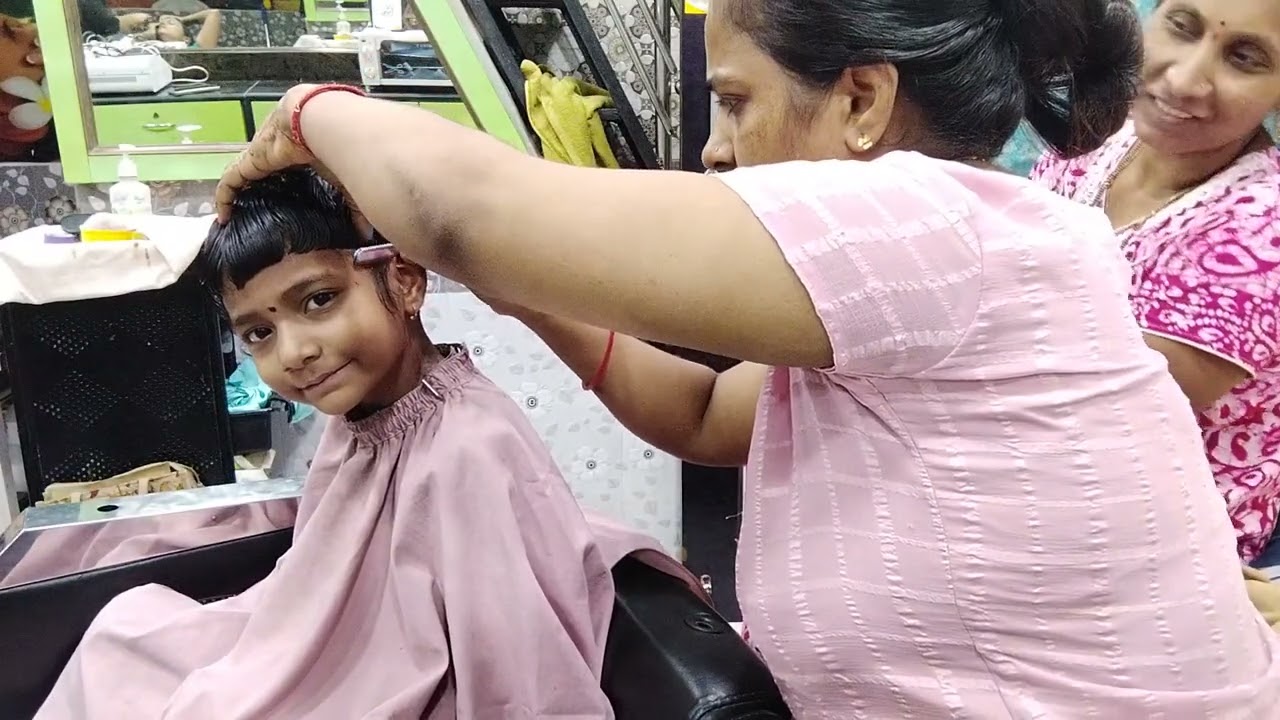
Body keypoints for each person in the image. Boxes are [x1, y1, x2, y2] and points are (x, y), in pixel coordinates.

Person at [217, 0, 1280, 715]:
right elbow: (699, 417)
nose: (715, 147)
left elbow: (459, 207)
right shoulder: (939, 264)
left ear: (860, 101)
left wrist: (308, 111)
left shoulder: (927, 219)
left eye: (733, 101)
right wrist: (518, 291)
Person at [35, 169, 676, 719]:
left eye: (318, 300)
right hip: (315, 643)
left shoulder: (468, 448)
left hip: (374, 680)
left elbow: (516, 668)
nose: (295, 353)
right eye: (258, 333)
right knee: (124, 633)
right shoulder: (359, 415)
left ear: (403, 280)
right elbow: (321, 573)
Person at [1032, 0, 1280, 566]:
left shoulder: (1263, 231)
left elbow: (1097, 409)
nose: (1184, 79)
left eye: (1245, 57)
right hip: (1040, 469)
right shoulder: (1102, 130)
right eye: (1180, 27)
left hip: (1161, 539)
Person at [133, 8, 221, 49]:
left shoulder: (194, 51)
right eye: (158, 26)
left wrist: (182, 20)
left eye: (171, 23)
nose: (162, 23)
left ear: (186, 39)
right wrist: (148, 34)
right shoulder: (144, 48)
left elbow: (213, 13)